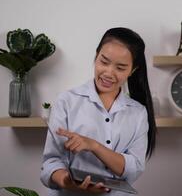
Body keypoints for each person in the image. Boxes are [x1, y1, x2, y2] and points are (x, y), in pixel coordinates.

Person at [40, 27, 156, 196]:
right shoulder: (67, 101)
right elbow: (51, 163)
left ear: (133, 70)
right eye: (104, 61)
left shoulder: (138, 113)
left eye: (120, 67)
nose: (108, 73)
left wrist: (93, 146)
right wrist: (69, 183)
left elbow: (134, 169)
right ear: (96, 56)